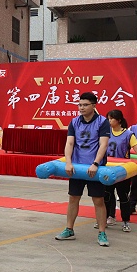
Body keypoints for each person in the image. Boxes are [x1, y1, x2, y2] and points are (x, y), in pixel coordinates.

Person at [55, 92, 111, 247]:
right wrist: (68, 162)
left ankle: (102, 233)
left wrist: (95, 163)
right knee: (73, 198)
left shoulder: (102, 122)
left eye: (85, 105)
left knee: (98, 200)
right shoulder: (74, 122)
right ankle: (69, 229)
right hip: (77, 168)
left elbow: (103, 145)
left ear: (94, 105)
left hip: (95, 168)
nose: (81, 108)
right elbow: (70, 144)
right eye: (79, 105)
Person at [102, 110, 137, 233]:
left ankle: (126, 221)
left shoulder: (128, 134)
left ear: (119, 120)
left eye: (111, 119)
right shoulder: (105, 133)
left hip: (122, 170)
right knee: (107, 195)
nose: (109, 121)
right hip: (107, 168)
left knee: (123, 196)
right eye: (108, 118)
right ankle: (107, 218)